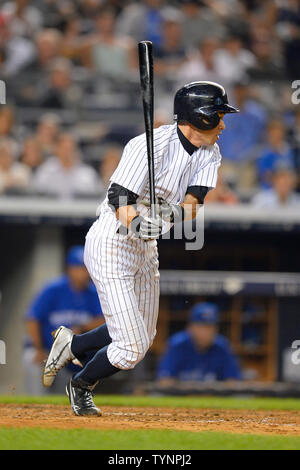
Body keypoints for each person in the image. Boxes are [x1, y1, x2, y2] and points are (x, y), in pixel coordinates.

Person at [42, 81, 239, 416]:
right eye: (218, 115)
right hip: (113, 240)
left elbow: (194, 202)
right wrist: (138, 222)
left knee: (143, 338)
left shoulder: (210, 152)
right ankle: (80, 384)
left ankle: (72, 344)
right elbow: (119, 196)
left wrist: (166, 216)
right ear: (199, 117)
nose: (222, 124)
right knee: (131, 347)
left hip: (147, 248)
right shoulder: (147, 145)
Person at [23, 246, 104, 395]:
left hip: (72, 354)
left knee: (64, 398)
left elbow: (105, 320)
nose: (84, 273)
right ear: (70, 269)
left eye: (87, 269)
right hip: (45, 350)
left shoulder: (94, 292)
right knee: (33, 362)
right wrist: (39, 349)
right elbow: (32, 319)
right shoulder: (53, 289)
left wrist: (83, 327)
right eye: (80, 268)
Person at [157, 302, 241, 385]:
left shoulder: (223, 347)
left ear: (216, 329)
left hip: (213, 397)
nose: (205, 332)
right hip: (181, 397)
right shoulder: (177, 345)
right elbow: (165, 381)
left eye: (209, 327)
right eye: (200, 326)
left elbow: (232, 382)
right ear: (190, 327)